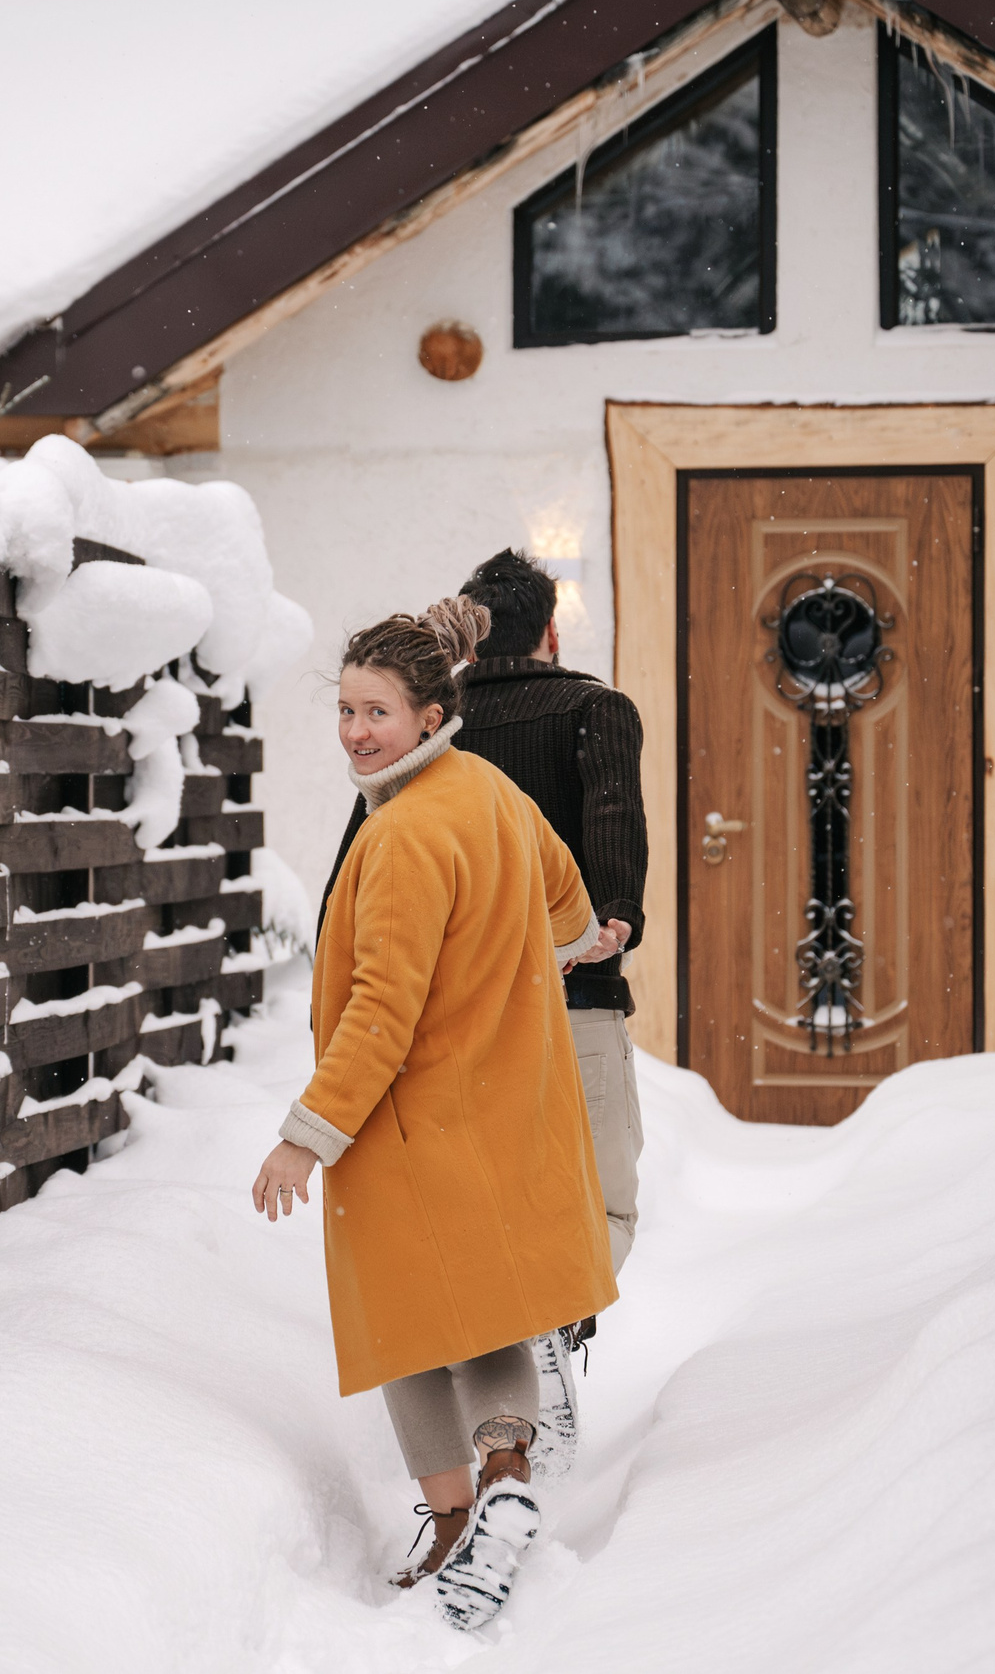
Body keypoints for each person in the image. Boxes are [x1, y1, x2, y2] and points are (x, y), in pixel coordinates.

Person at [251, 597, 615, 1631]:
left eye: (377, 711)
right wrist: (558, 948)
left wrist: (305, 1135)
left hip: (411, 1122)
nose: (356, 731)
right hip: (502, 1105)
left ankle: (455, 1523)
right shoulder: (489, 790)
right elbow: (568, 898)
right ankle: (506, 1473)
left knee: (406, 1328)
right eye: (345, 709)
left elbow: (382, 1010)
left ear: (429, 714)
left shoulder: (405, 833)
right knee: (487, 1317)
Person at [318, 550, 649, 1468]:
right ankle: (545, 1325)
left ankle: (498, 1371)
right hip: (566, 1011)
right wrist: (593, 933)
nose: (358, 727)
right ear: (551, 629)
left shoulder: (422, 748)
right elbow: (607, 861)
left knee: (461, 1220)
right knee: (596, 1206)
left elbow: (350, 888)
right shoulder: (593, 712)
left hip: (436, 1040)